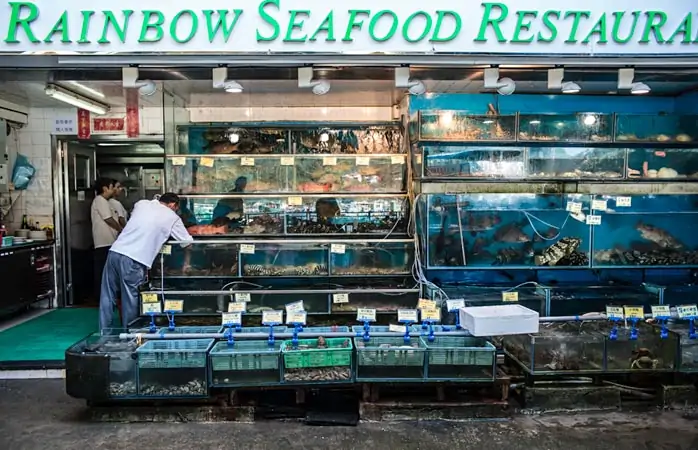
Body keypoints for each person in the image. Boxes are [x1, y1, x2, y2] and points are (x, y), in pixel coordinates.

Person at [99, 193, 194, 331]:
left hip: (115, 252)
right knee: (130, 299)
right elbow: (187, 243)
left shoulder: (142, 204)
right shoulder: (172, 217)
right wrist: (187, 263)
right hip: (134, 258)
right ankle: (131, 335)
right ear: (173, 205)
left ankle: (104, 331)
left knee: (107, 294)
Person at [91, 177, 122, 301]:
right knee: (102, 272)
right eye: (112, 187)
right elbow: (108, 219)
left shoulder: (107, 202)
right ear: (105, 188)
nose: (114, 189)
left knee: (109, 272)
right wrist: (122, 230)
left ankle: (109, 297)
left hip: (110, 242)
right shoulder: (100, 200)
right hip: (103, 242)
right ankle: (101, 298)